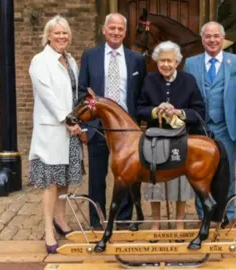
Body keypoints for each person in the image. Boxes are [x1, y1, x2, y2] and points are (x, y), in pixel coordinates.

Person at [78, 13, 147, 230]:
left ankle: (124, 219)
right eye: (112, 28)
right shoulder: (90, 56)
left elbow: (140, 93)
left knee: (126, 176)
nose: (116, 32)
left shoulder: (136, 59)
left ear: (125, 33)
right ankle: (97, 220)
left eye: (120, 29)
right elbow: (82, 91)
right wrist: (84, 125)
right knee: (97, 176)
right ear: (104, 30)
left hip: (127, 131)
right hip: (99, 127)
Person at [136, 41, 206, 233]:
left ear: (177, 62)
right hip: (154, 139)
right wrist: (155, 110)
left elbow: (199, 111)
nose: (165, 65)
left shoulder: (188, 80)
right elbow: (140, 108)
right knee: (154, 180)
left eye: (170, 61)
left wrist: (179, 112)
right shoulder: (149, 80)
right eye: (162, 61)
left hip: (180, 138)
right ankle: (156, 223)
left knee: (181, 181)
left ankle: (179, 222)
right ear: (157, 62)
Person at [28, 15, 82, 254]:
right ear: (48, 36)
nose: (62, 37)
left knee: (64, 180)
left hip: (71, 129)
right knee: (50, 182)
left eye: (65, 33)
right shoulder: (40, 61)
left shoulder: (71, 61)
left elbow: (74, 94)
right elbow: (48, 96)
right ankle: (49, 229)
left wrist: (78, 119)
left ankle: (61, 220)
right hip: (52, 129)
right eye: (57, 33)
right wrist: (68, 120)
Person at [184, 21, 236, 225]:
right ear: (202, 40)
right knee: (200, 173)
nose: (212, 40)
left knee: (226, 173)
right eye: (208, 36)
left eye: (216, 36)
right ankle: (204, 215)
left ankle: (226, 215)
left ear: (223, 38)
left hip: (226, 126)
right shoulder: (191, 63)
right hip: (199, 128)